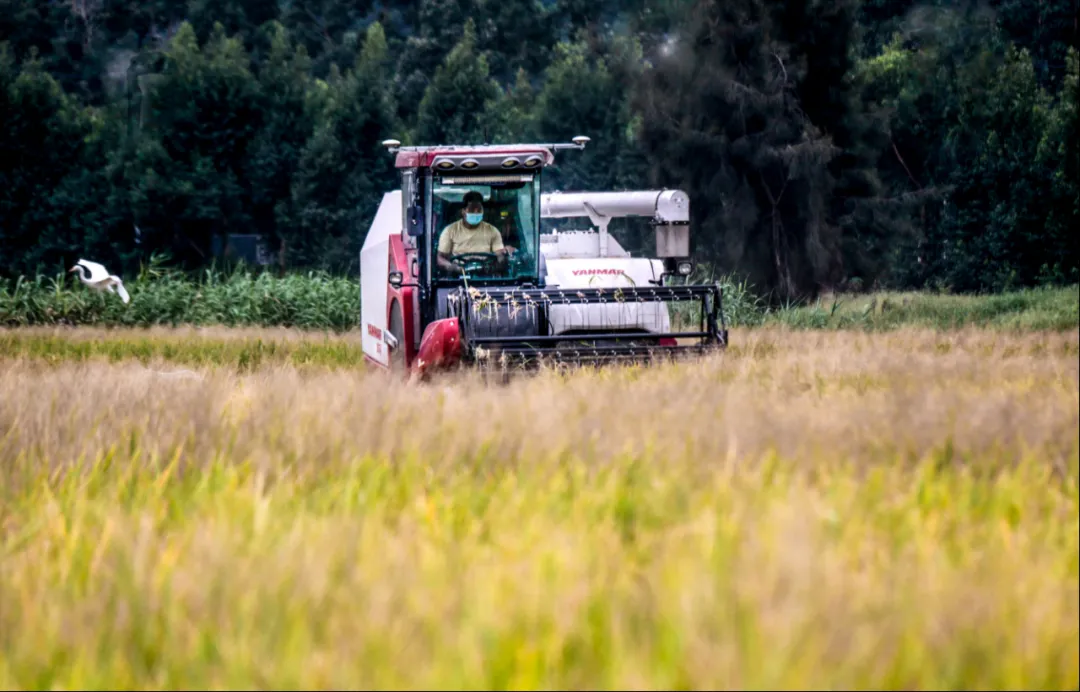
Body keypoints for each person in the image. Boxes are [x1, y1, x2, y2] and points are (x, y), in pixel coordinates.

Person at [437, 190, 513, 275]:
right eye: (472, 209)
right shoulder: (450, 231)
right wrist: (451, 267)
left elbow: (499, 255)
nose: (476, 212)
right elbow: (440, 258)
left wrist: (502, 258)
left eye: (479, 209)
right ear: (463, 211)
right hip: (458, 275)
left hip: (485, 274)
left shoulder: (492, 231)